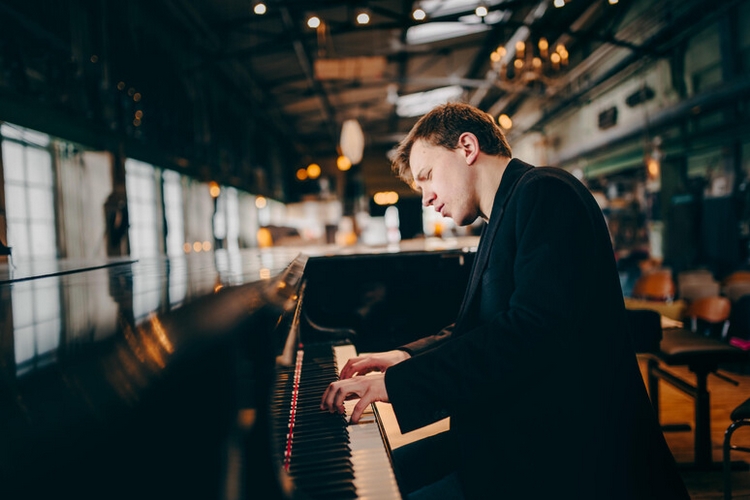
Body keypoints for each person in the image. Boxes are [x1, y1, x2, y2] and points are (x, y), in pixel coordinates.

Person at [320, 102, 689, 499]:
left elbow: (528, 334)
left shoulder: (546, 192)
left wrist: (400, 384)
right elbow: (486, 326)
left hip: (562, 453)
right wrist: (406, 357)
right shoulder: (507, 209)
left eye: (427, 177)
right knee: (383, 477)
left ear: (466, 147)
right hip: (515, 434)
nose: (426, 198)